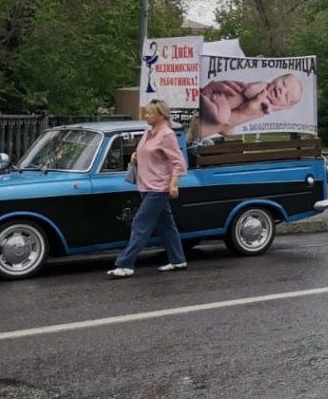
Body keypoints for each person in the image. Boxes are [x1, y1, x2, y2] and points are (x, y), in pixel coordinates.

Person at [107, 98, 188, 277]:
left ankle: (126, 264)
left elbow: (178, 162)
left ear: (161, 115)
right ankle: (178, 260)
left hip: (159, 188)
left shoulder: (167, 134)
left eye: (150, 113)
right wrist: (136, 155)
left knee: (140, 223)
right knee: (166, 225)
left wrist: (174, 184)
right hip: (146, 185)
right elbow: (146, 151)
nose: (146, 115)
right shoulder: (148, 132)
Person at [199, 72, 303, 136]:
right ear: (277, 78)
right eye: (283, 83)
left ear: (283, 105)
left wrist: (271, 105)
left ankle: (208, 106)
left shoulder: (267, 105)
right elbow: (248, 91)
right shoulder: (263, 86)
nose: (281, 90)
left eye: (286, 96)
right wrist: (264, 100)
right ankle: (203, 97)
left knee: (229, 132)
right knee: (222, 118)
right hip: (222, 97)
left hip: (229, 107)